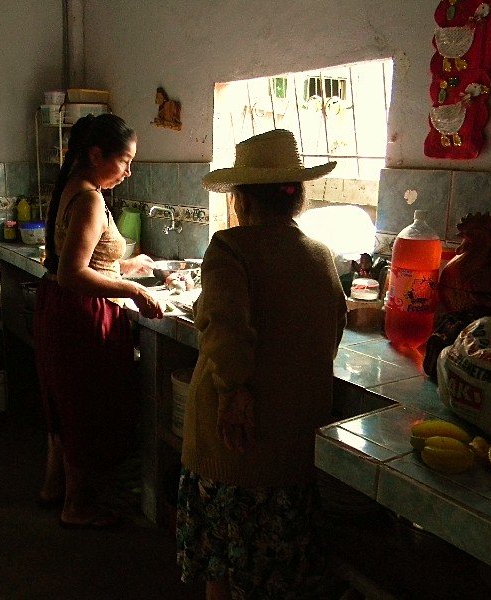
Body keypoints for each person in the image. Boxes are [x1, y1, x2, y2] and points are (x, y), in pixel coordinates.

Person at [176, 129, 347, 599]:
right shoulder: (321, 255)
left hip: (233, 448)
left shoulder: (229, 249)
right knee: (277, 573)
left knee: (221, 561)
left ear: (242, 199)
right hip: (293, 446)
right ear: (296, 200)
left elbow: (226, 328)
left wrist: (233, 393)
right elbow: (332, 332)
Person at [34, 113, 165, 529]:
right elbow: (75, 273)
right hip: (81, 314)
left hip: (58, 306)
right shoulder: (90, 198)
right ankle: (76, 507)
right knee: (84, 408)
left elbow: (80, 261)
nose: (128, 172)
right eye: (125, 161)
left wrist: (126, 266)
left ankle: (53, 488)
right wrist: (136, 290)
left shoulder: (74, 186)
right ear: (96, 154)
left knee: (62, 404)